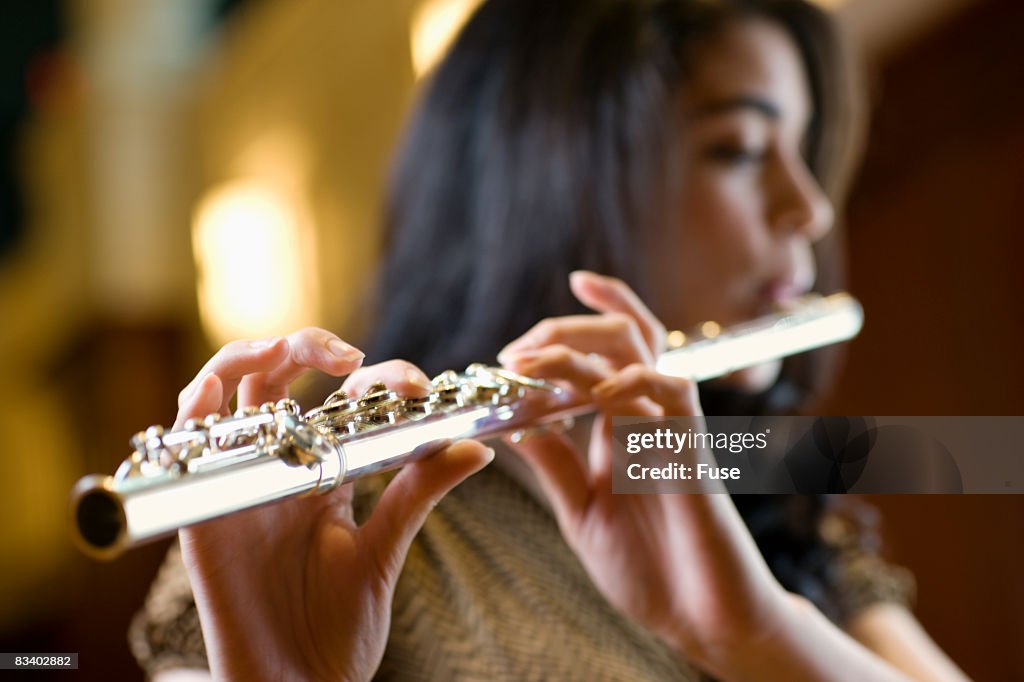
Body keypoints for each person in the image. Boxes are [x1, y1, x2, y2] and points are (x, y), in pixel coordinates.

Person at [130, 0, 969, 680]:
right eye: (740, 148)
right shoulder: (301, 518)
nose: (810, 208)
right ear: (556, 180)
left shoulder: (758, 479)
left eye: (802, 145)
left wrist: (756, 632)